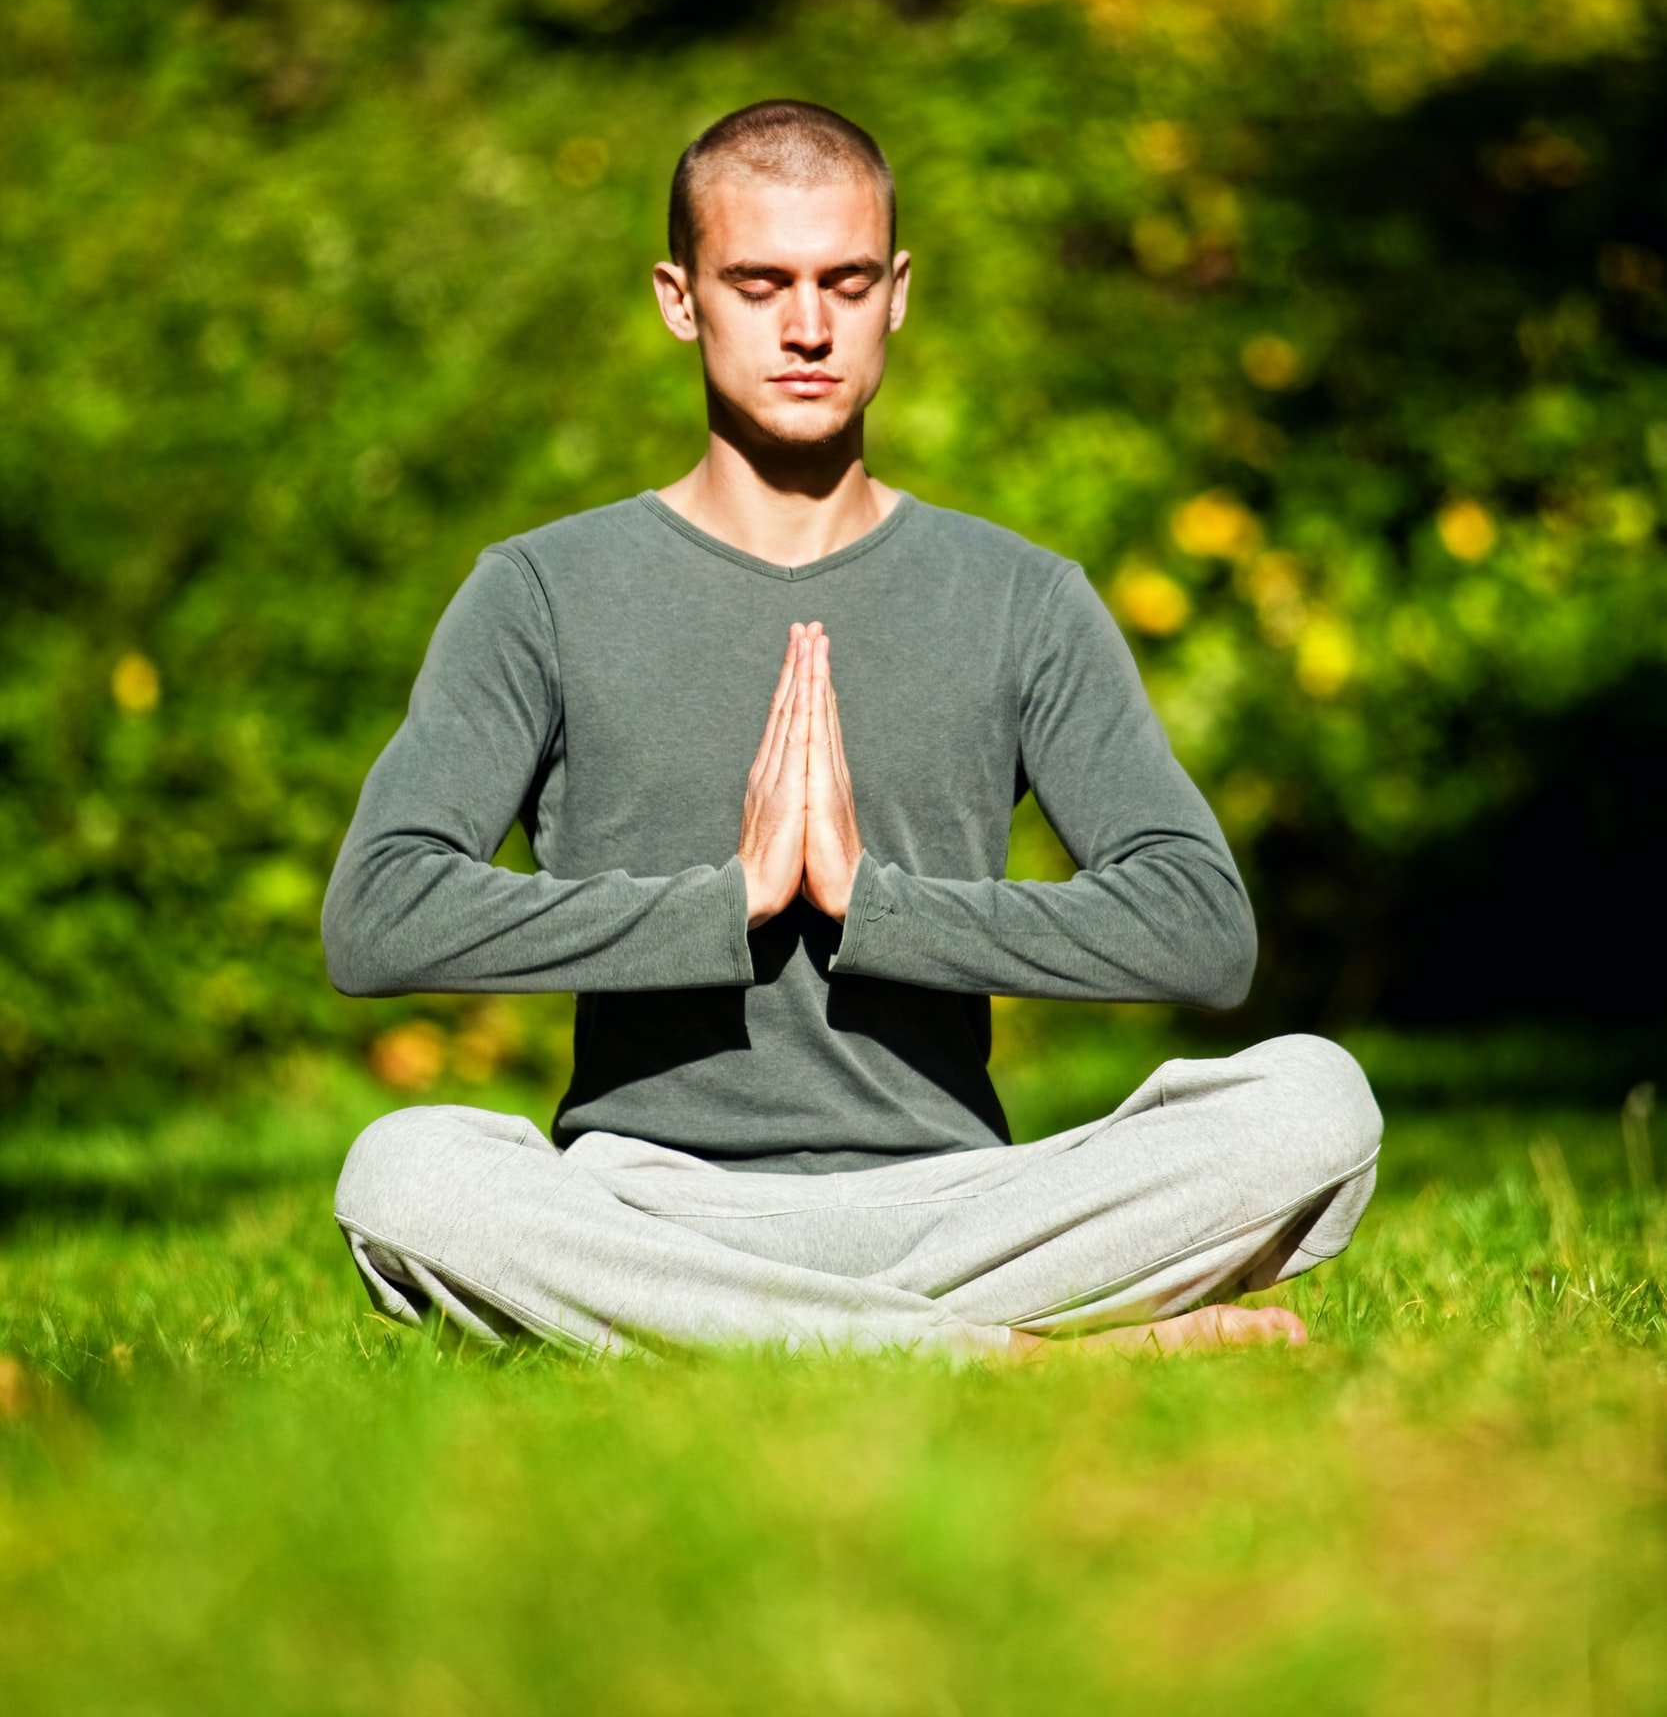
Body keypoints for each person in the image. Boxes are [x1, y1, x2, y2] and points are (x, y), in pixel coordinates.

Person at [323, 100, 1381, 1361]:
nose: (808, 325)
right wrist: (729, 907)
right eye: (758, 283)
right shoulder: (541, 591)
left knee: (1316, 1100)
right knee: (406, 1169)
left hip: (959, 1207)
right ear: (679, 297)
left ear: (897, 293)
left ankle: (765, 1338)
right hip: (651, 1203)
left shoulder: (1019, 597)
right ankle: (1002, 1360)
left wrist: (871, 907)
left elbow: (1201, 931)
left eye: (845, 280)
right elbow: (377, 914)